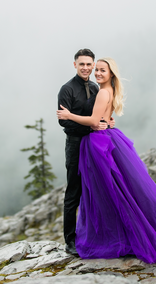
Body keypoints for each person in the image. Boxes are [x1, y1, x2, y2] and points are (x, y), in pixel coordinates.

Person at [57, 57, 156, 264]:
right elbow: (101, 117)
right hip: (105, 138)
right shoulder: (101, 89)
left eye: (102, 70)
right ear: (75, 64)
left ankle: (113, 237)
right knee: (117, 190)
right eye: (98, 70)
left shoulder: (101, 91)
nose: (97, 73)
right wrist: (105, 120)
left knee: (106, 192)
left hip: (97, 143)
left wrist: (70, 115)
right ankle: (119, 236)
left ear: (111, 73)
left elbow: (95, 121)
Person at [57, 49, 112, 256]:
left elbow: (98, 114)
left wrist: (106, 122)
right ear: (75, 65)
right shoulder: (67, 89)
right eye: (82, 64)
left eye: (89, 64)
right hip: (75, 144)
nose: (86, 68)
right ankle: (70, 241)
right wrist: (90, 127)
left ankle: (96, 235)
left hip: (93, 144)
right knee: (74, 192)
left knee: (96, 189)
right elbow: (63, 120)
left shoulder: (95, 87)